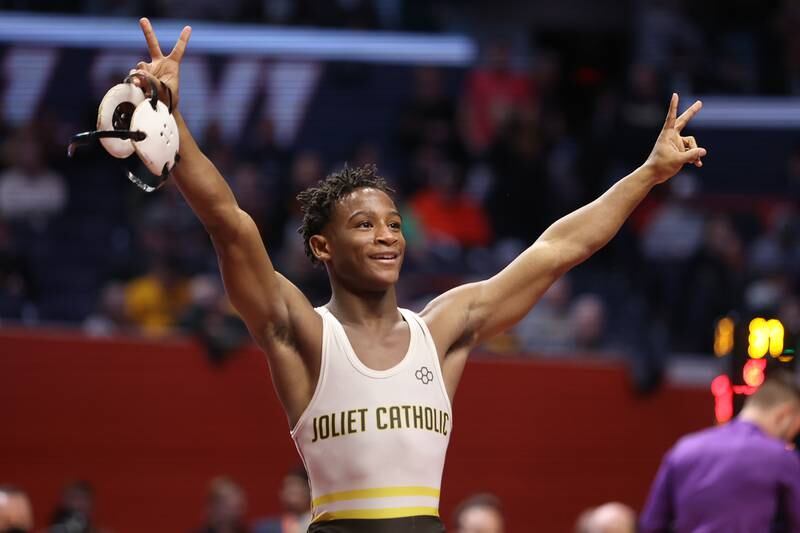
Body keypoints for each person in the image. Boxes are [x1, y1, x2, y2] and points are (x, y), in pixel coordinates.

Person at [127, 17, 705, 532]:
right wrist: (172, 119)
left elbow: (558, 249)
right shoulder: (301, 331)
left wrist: (648, 174)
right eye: (364, 225)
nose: (386, 236)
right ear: (323, 246)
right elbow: (230, 224)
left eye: (394, 224)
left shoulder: (444, 327)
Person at [640, 370, 800, 532]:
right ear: (784, 415)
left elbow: (652, 524)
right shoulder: (781, 457)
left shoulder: (683, 449)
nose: (791, 439)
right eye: (795, 429)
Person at [252, 466, 312, 533]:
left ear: (310, 492)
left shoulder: (319, 525)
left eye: (295, 487)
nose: (289, 492)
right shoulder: (266, 528)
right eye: (286, 487)